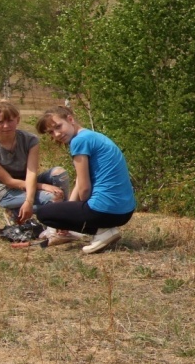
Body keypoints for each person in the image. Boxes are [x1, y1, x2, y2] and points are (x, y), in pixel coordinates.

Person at [34, 106, 136, 254]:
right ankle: (103, 230)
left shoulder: (79, 141)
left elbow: (85, 188)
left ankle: (102, 232)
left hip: (105, 210)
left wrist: (72, 216)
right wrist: (68, 212)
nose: (56, 134)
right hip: (124, 211)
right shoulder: (92, 136)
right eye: (51, 132)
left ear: (70, 119)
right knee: (60, 211)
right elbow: (79, 180)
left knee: (43, 213)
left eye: (58, 126)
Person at [0, 100, 71, 233]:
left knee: (59, 173)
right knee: (52, 198)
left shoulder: (30, 140)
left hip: (29, 182)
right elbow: (9, 181)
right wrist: (39, 190)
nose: (6, 126)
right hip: (8, 191)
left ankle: (65, 220)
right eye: (0, 122)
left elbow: (31, 172)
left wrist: (31, 196)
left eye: (10, 120)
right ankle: (56, 227)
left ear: (18, 120)